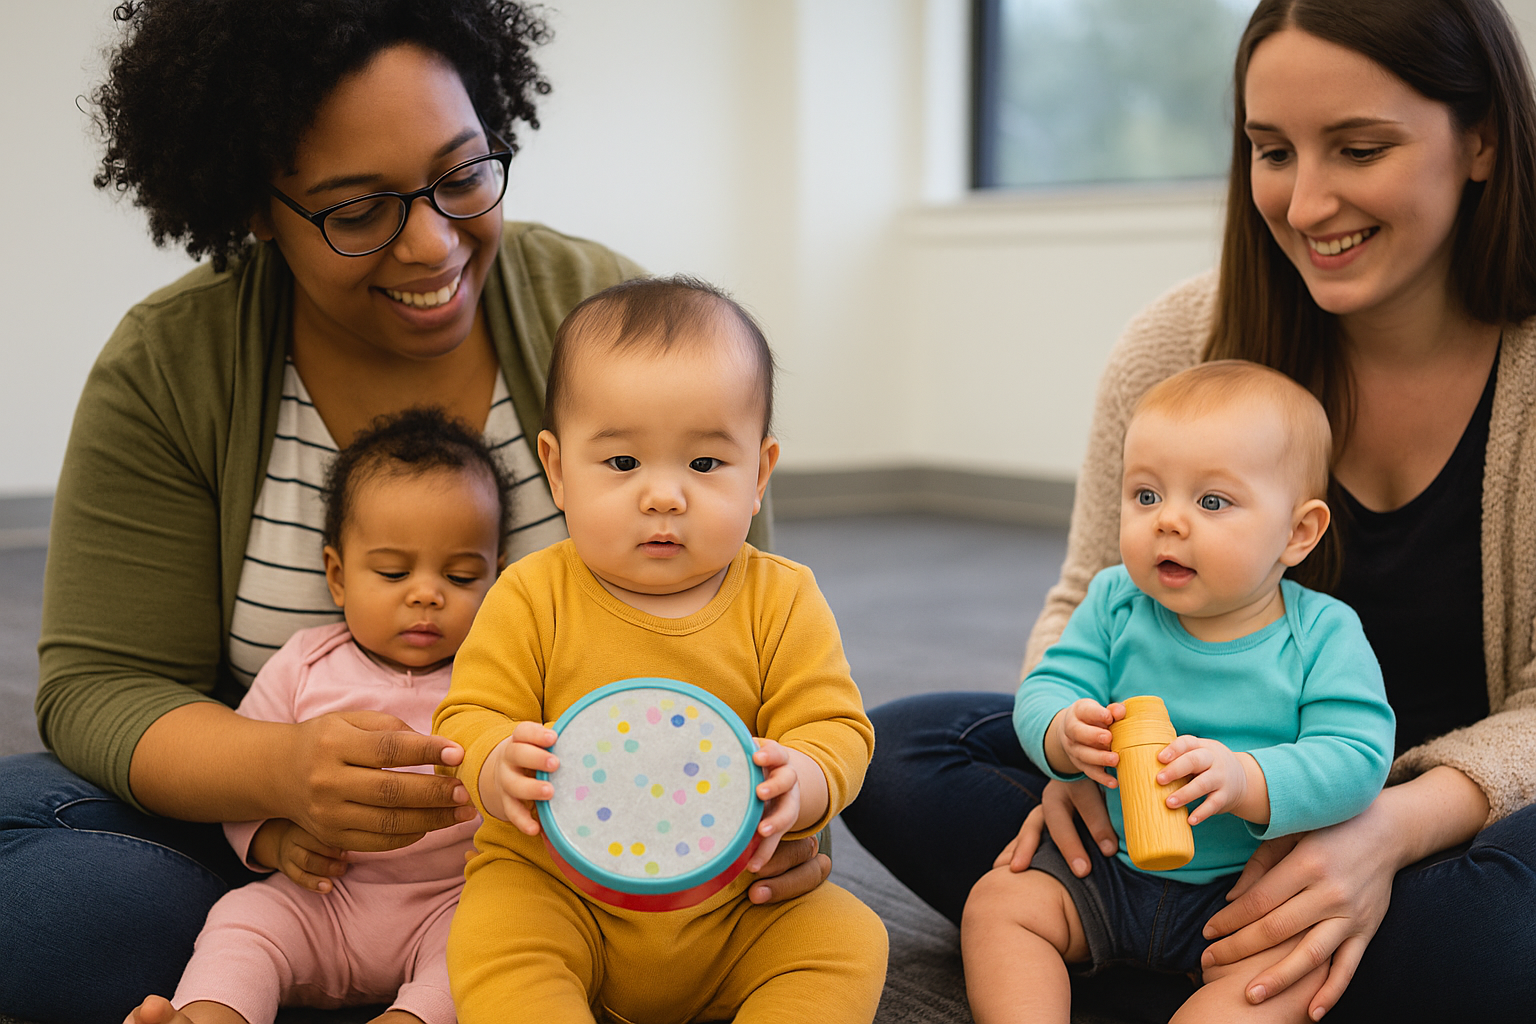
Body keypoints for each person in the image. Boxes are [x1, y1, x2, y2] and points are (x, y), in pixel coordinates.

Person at [0, 6, 817, 1024]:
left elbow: (752, 632)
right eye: (356, 210)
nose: (431, 244)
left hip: (558, 867)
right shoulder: (173, 364)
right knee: (44, 898)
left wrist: (773, 806)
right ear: (259, 205)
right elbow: (100, 684)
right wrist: (283, 772)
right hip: (288, 853)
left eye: (463, 175)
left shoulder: (606, 315)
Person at [844, 1, 1536, 1020]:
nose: (1305, 203)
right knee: (896, 751)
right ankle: (1248, 962)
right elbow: (1085, 598)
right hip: (1171, 820)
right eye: (1270, 150)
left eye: (1358, 147)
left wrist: (1387, 831)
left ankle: (1185, 964)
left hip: (1444, 813)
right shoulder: (1178, 342)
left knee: (1498, 935)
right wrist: (1067, 751)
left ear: (1479, 139)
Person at [433, 276, 888, 1024]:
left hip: (737, 902)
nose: (664, 496)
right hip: (560, 890)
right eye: (622, 464)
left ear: (760, 476)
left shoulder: (784, 598)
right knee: (495, 938)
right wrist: (493, 760)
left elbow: (837, 728)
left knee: (849, 939)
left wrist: (802, 778)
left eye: (705, 466)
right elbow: (466, 715)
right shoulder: (528, 593)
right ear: (555, 469)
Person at [961, 361, 1395, 1023]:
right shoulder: (1114, 601)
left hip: (1246, 893)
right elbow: (1048, 683)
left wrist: (1249, 777)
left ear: (1298, 533)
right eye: (1145, 496)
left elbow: (1359, 756)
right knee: (998, 907)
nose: (1169, 522)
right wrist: (1061, 731)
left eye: (1212, 502)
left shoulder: (1323, 633)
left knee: (1280, 980)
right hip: (1105, 869)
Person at [127, 406, 505, 1024]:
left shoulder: (500, 674)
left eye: (462, 575)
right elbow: (239, 777)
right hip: (326, 895)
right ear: (337, 576)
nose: (427, 593)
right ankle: (210, 1015)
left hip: (454, 898)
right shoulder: (303, 665)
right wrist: (275, 840)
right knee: (243, 921)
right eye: (392, 570)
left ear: (498, 579)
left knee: (489, 951)